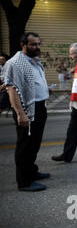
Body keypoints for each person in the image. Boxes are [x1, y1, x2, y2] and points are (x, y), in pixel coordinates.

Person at [4, 32, 50, 191]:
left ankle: (31, 171)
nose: (37, 47)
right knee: (25, 145)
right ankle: (24, 182)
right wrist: (20, 113)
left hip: (40, 107)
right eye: (33, 44)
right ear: (23, 45)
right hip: (27, 109)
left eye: (38, 44)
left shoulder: (34, 60)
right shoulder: (15, 63)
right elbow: (12, 89)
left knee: (34, 143)